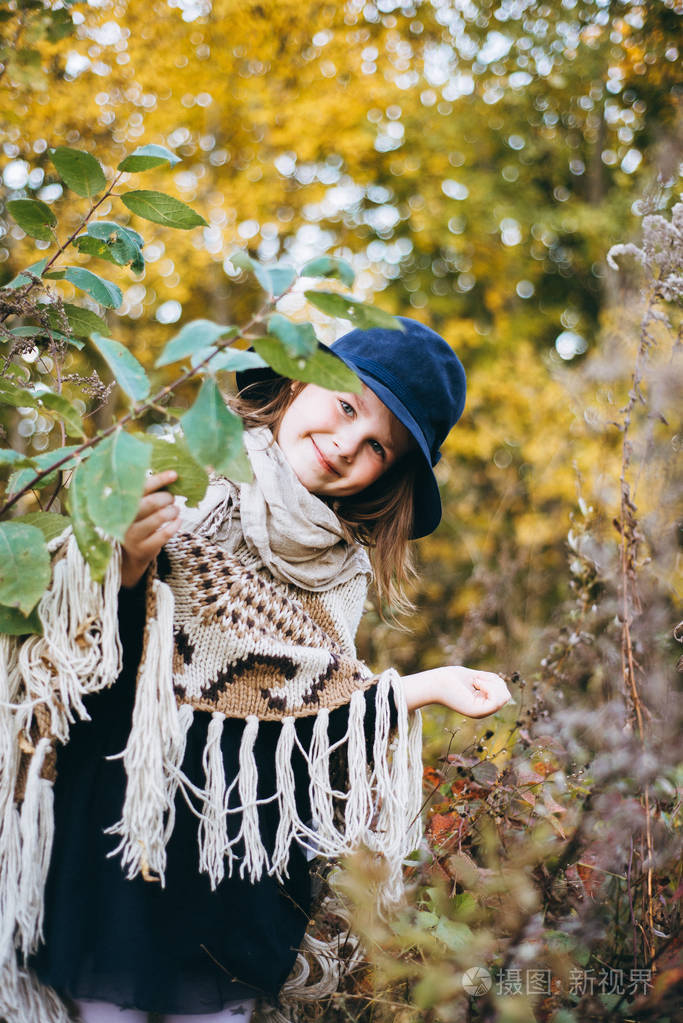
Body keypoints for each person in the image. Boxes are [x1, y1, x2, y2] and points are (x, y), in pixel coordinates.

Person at [2, 318, 510, 1023]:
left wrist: (425, 687)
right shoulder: (184, 482)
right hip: (120, 846)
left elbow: (310, 715)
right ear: (298, 381)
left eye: (377, 448)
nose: (345, 445)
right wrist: (123, 568)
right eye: (345, 405)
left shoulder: (341, 576)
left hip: (235, 875)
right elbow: (85, 665)